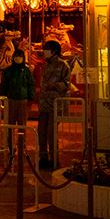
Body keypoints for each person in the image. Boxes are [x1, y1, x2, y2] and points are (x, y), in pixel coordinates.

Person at [37, 39, 69, 170]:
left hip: (55, 104)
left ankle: (54, 158)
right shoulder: (45, 65)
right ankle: (43, 157)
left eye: (47, 49)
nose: (44, 51)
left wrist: (54, 85)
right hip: (44, 103)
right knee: (41, 131)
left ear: (54, 51)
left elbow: (67, 84)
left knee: (51, 133)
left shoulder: (63, 65)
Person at [0, 48, 34, 153]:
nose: (18, 58)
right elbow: (4, 85)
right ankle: (10, 145)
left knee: (22, 125)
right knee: (10, 124)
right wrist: (2, 97)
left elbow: (31, 85)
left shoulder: (26, 71)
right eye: (16, 56)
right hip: (11, 99)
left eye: (20, 56)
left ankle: (22, 145)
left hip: (23, 100)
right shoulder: (8, 71)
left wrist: (31, 98)